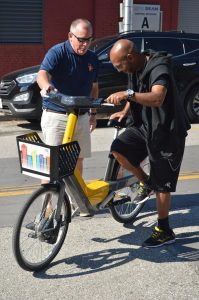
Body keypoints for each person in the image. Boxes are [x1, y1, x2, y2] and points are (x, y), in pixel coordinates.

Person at [106, 39, 190, 248]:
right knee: (118, 149)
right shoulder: (134, 67)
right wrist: (124, 112)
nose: (119, 70)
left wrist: (128, 94)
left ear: (130, 56)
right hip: (145, 127)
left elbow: (157, 97)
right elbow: (132, 92)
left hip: (167, 132)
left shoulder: (158, 67)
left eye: (119, 66)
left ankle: (164, 230)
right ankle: (145, 181)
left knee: (163, 183)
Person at [36, 18, 98, 217]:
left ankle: (75, 201)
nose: (85, 44)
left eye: (88, 39)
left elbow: (94, 87)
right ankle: (47, 208)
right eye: (81, 39)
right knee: (51, 164)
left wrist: (93, 114)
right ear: (70, 36)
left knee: (77, 160)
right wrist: (46, 86)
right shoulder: (58, 52)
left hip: (80, 116)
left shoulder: (92, 58)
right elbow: (42, 73)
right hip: (57, 115)